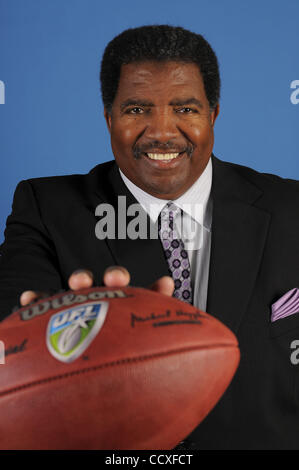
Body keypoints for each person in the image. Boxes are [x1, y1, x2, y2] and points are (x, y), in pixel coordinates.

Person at [1, 24, 299, 450]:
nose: (162, 132)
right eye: (137, 109)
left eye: (185, 109)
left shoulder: (292, 208)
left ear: (213, 114)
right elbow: (12, 322)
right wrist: (40, 332)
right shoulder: (47, 207)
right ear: (108, 117)